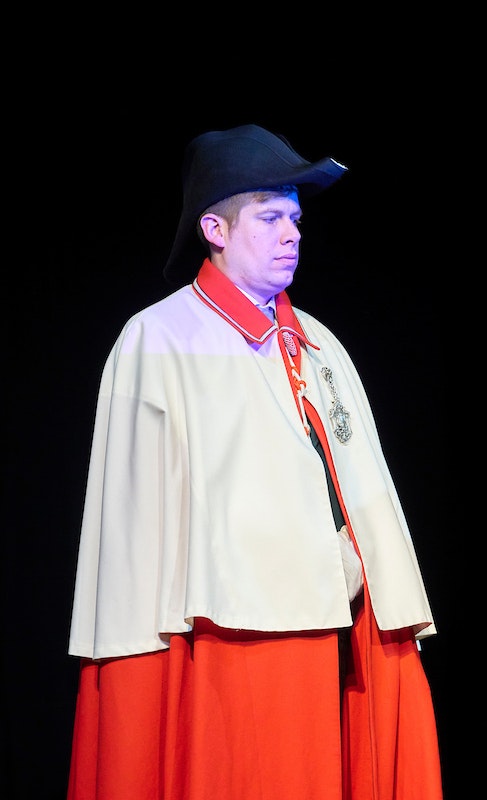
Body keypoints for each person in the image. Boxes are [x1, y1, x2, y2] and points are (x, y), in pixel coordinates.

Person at [66, 124, 442, 800]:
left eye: (295, 220)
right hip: (227, 642)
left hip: (343, 634)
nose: (291, 234)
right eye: (270, 218)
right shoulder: (159, 340)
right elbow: (136, 538)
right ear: (215, 228)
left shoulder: (319, 343)